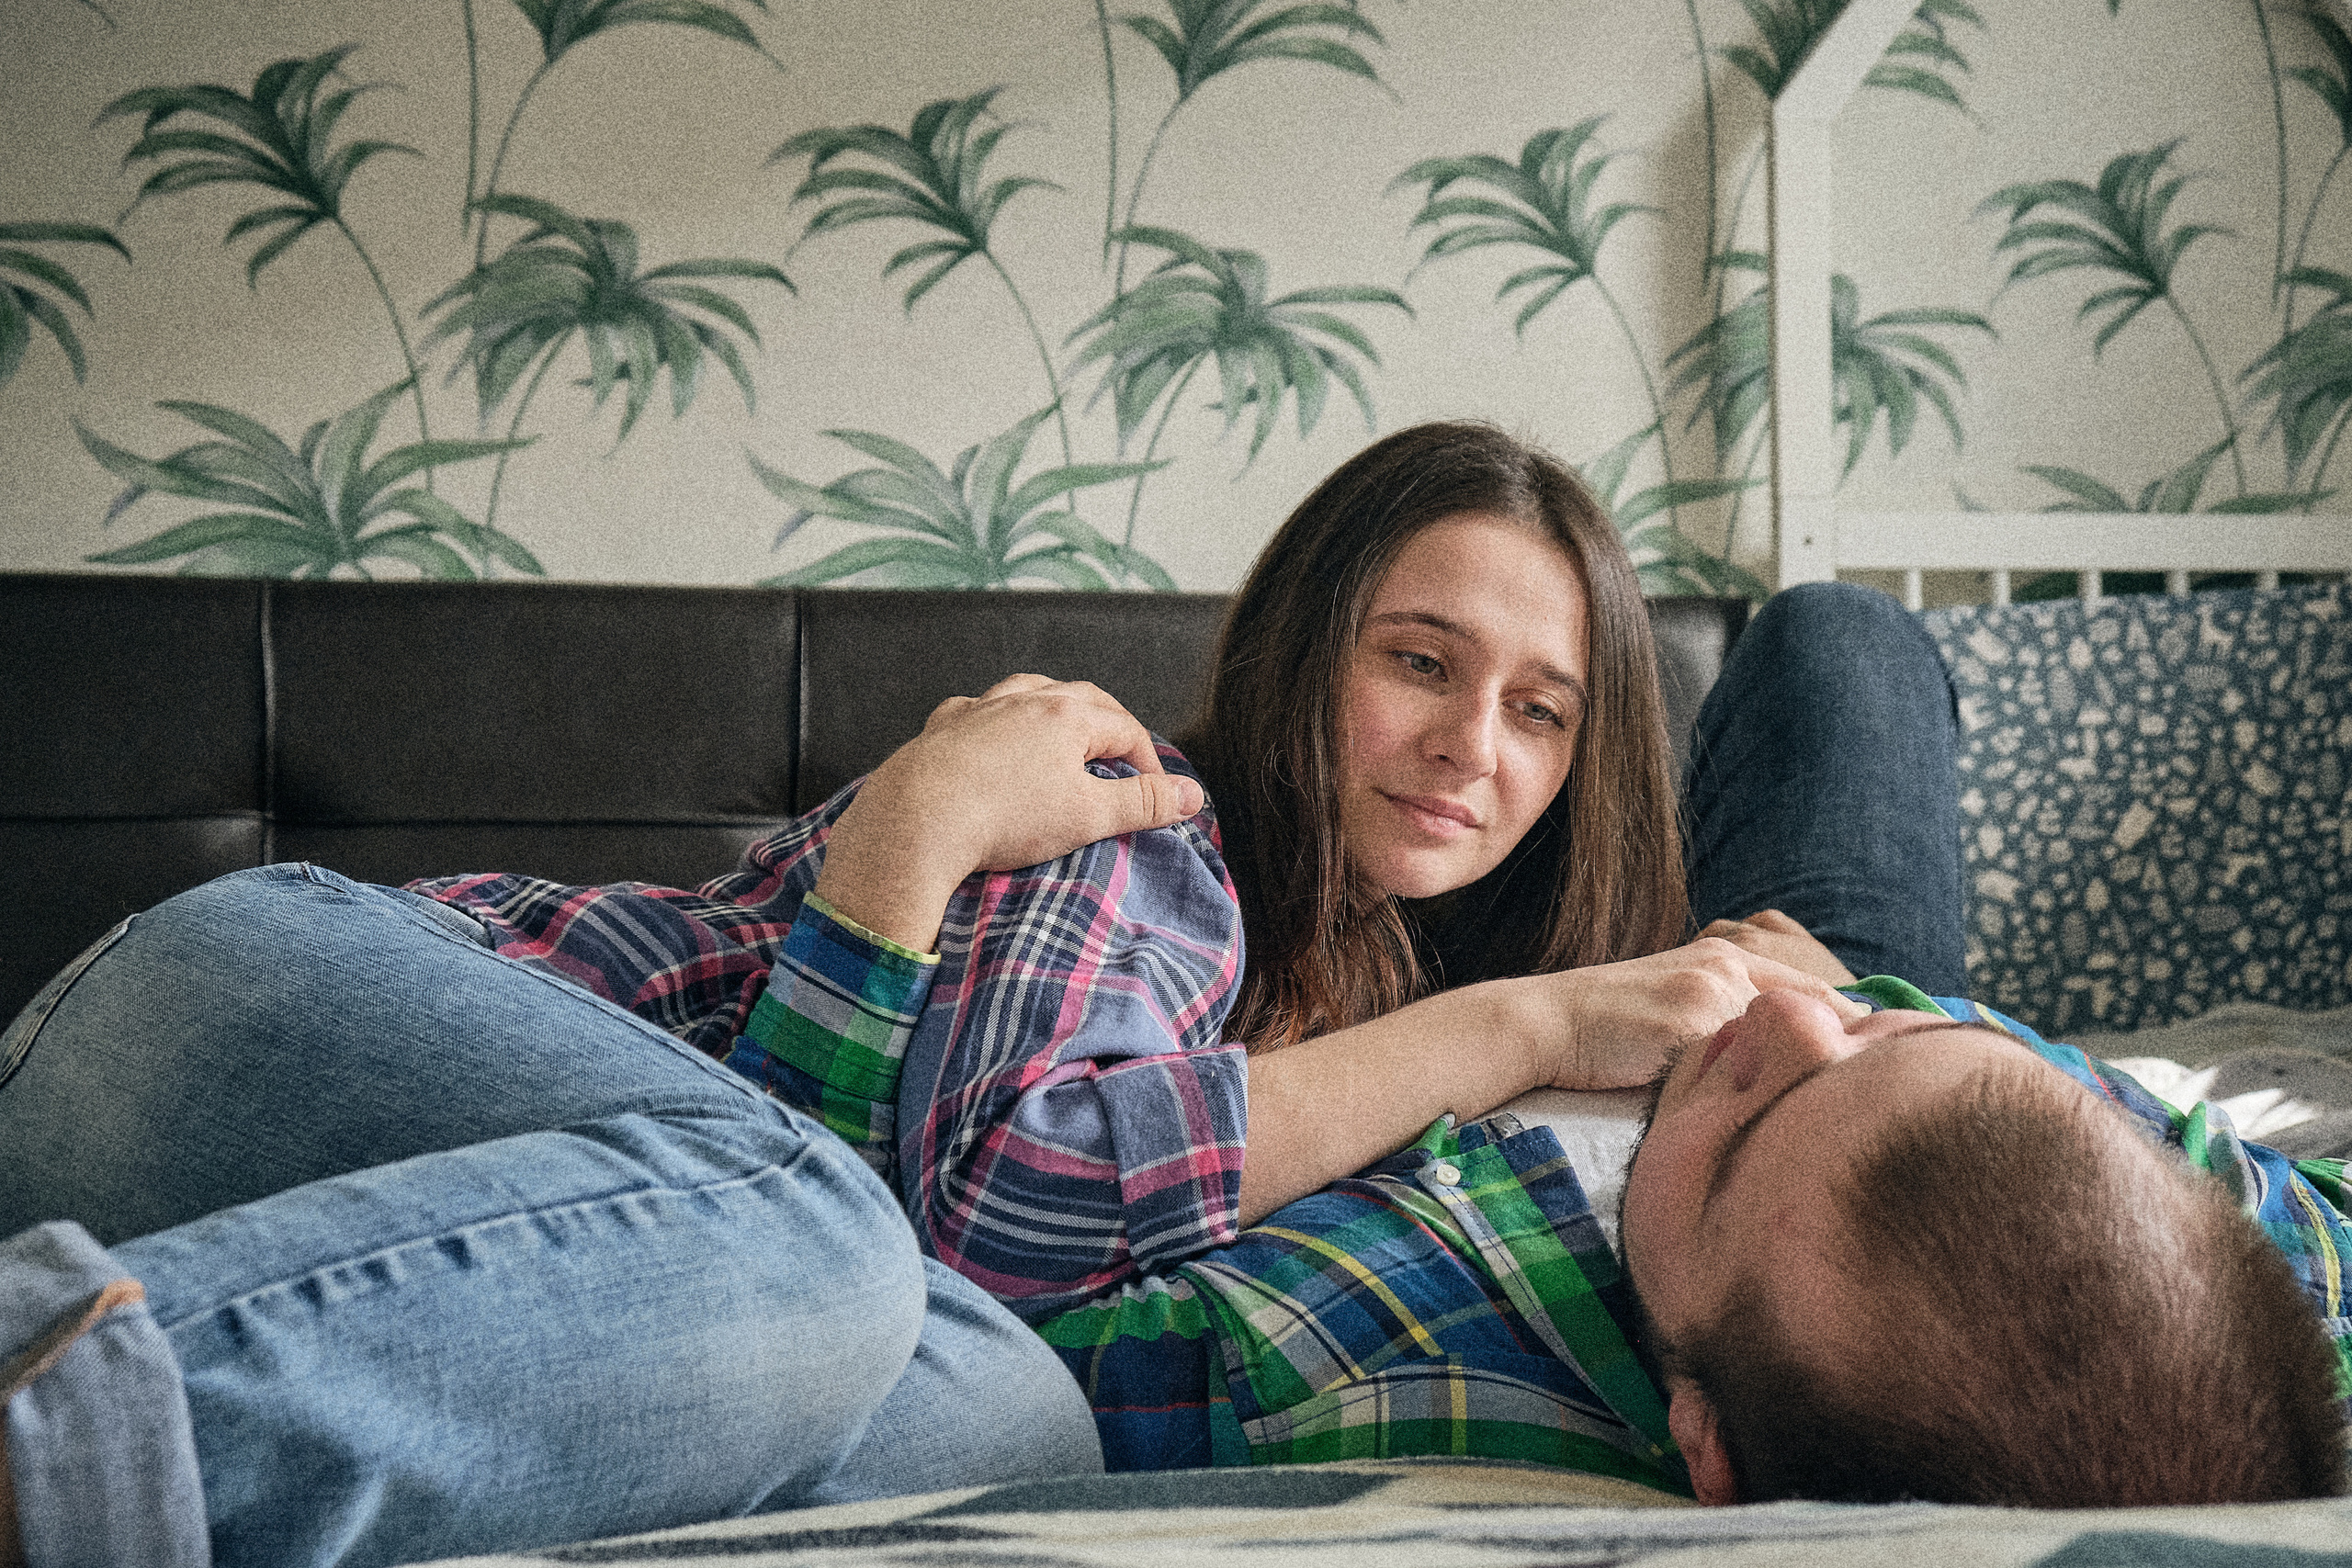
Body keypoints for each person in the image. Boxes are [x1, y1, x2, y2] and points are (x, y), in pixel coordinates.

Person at [1, 425, 2344, 1564]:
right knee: (864, 1264)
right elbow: (951, 1203)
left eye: (1538, 711)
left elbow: (961, 1292)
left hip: (619, 1240)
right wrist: (914, 839)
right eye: (1418, 661)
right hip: (268, 1010)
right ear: (1301, 643)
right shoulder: (1146, 832)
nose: (1468, 746)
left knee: (990, 1422)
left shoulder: (1422, 1033)